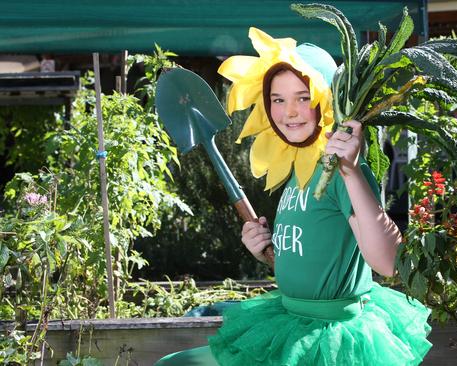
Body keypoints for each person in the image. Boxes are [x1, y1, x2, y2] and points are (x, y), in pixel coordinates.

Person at [155, 27, 431, 366]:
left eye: (304, 97)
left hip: (328, 339)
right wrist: (267, 252)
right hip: (289, 320)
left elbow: (387, 262)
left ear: (329, 102)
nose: (289, 112)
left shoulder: (341, 173)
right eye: (278, 99)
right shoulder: (299, 169)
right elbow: (315, 254)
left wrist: (351, 171)